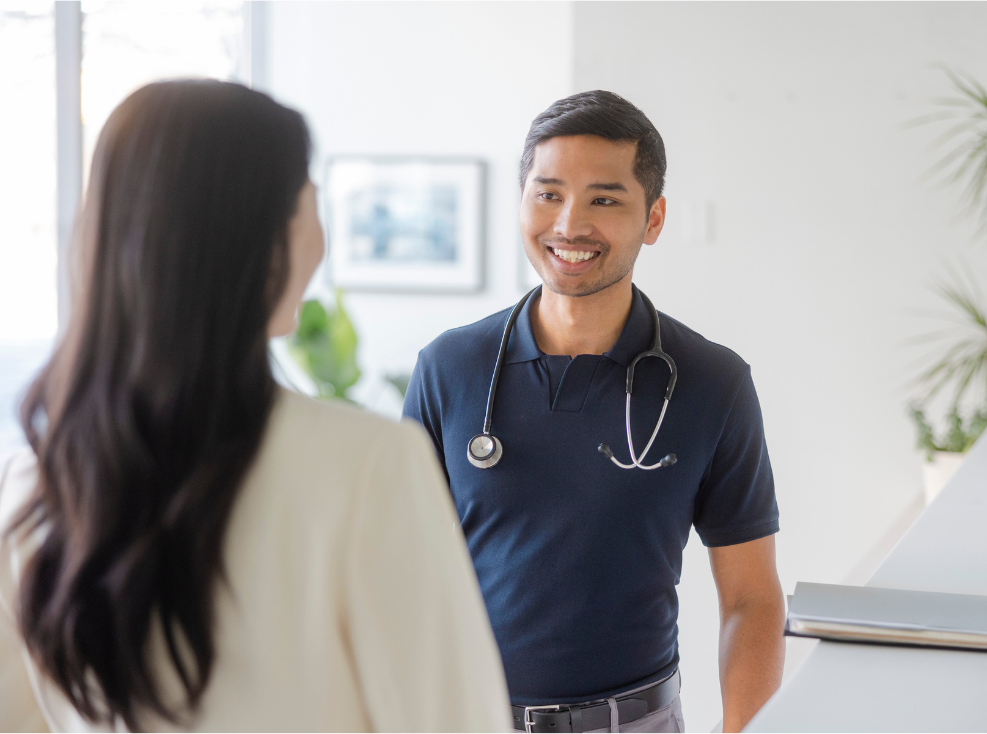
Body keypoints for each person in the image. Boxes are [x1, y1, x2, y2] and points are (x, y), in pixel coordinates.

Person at [0, 80, 511, 732]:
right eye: (309, 206)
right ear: (261, 239)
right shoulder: (368, 468)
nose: (320, 240)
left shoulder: (29, 491)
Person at [403, 90, 785, 733]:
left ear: (654, 218)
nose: (569, 225)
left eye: (604, 200)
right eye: (548, 194)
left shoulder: (712, 383)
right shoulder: (451, 368)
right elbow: (396, 570)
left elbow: (750, 599)